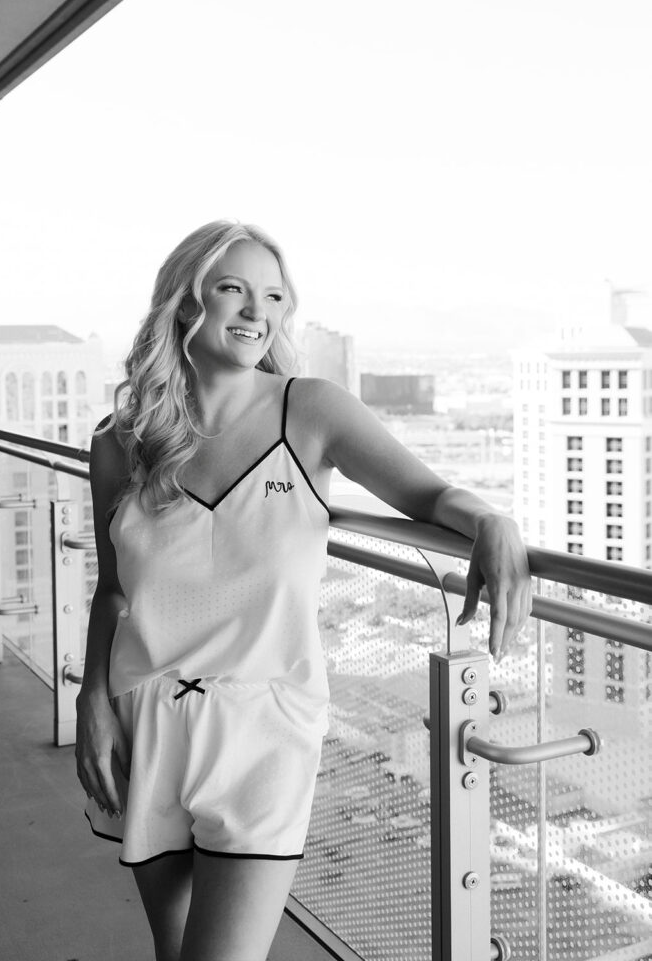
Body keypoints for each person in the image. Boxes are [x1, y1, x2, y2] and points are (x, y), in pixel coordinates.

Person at [76, 219, 532, 961]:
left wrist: (491, 520)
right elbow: (112, 591)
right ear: (185, 302)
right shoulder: (119, 441)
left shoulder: (311, 410)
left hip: (266, 732)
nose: (257, 311)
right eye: (233, 289)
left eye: (273, 296)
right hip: (143, 718)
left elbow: (427, 495)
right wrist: (91, 702)